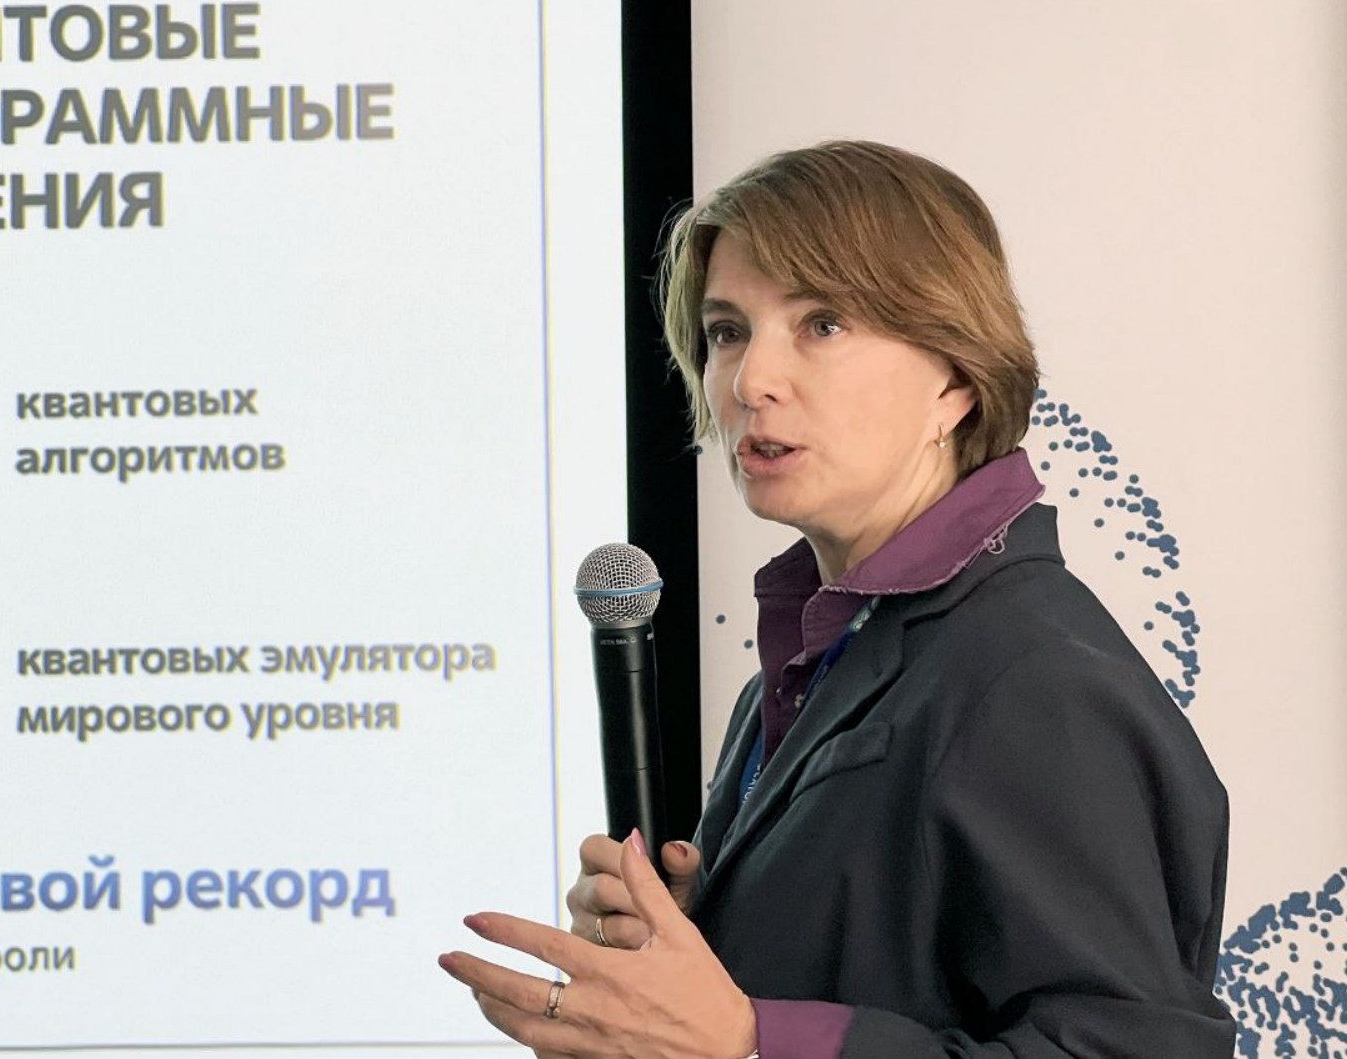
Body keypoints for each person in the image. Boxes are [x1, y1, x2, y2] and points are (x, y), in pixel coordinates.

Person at [438, 140, 1235, 1058]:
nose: (750, 381)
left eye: (821, 324)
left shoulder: (1030, 678)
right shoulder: (822, 654)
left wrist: (747, 1041)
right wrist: (702, 943)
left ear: (955, 377)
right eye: (727, 331)